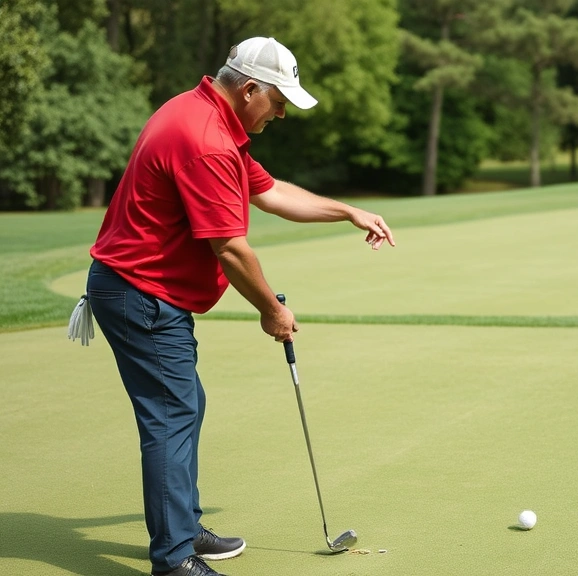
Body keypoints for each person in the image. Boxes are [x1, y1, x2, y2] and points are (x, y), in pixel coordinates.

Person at [85, 37, 395, 576]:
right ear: (249, 88)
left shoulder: (205, 115)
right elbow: (229, 247)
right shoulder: (206, 138)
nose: (281, 112)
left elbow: (272, 193)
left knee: (183, 407)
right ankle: (175, 559)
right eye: (278, 100)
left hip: (140, 288)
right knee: (171, 416)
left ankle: (181, 528)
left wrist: (348, 211)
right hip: (140, 293)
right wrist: (271, 312)